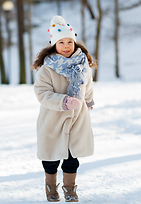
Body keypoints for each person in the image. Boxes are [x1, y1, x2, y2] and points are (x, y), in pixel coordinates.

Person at [33, 15, 96, 202]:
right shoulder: (47, 68)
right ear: (54, 45)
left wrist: (89, 100)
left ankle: (70, 189)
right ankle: (51, 187)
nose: (67, 46)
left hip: (77, 119)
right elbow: (42, 93)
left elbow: (88, 85)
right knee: (51, 158)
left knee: (72, 158)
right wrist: (64, 102)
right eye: (61, 42)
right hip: (54, 119)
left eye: (70, 41)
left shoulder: (83, 65)